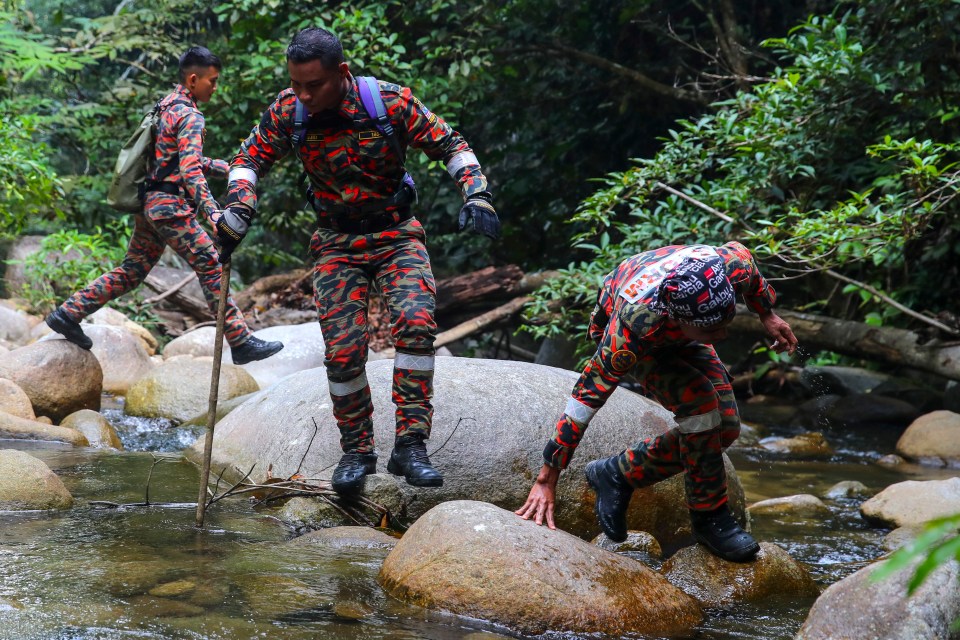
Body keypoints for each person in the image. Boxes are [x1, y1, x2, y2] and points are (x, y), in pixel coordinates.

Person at [215, 27, 500, 494]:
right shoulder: (289, 111)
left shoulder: (387, 102)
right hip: (335, 242)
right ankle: (357, 451)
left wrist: (477, 194)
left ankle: (411, 446)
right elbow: (248, 159)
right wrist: (239, 207)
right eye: (297, 84)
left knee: (415, 323)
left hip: (396, 235)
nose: (304, 94)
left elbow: (451, 143)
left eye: (314, 85)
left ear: (341, 73)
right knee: (344, 351)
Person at [515, 242, 798, 562]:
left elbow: (747, 265)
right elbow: (585, 398)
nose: (723, 337)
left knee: (727, 428)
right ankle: (711, 520)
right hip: (639, 330)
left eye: (726, 324)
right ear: (678, 321)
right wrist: (547, 476)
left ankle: (617, 473)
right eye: (713, 330)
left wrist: (767, 314)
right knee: (701, 407)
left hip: (685, 320)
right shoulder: (631, 331)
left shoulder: (730, 266)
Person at [45, 46, 283, 366]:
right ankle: (240, 341)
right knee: (210, 262)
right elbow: (189, 170)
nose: (215, 87)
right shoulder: (191, 114)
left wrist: (225, 167)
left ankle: (66, 313)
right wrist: (212, 210)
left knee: (131, 271)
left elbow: (180, 158)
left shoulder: (167, 105)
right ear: (194, 78)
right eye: (212, 81)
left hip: (151, 204)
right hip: (171, 207)